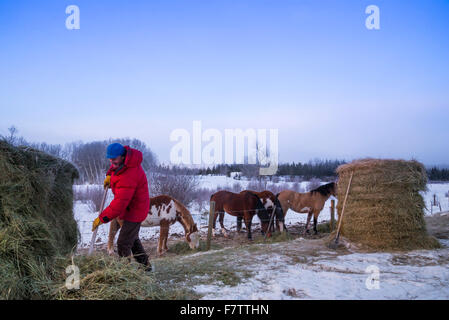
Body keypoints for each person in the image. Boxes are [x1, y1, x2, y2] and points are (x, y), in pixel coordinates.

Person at [92, 143, 151, 271]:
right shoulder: (122, 164)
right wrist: (109, 175)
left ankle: (125, 272)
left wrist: (102, 218)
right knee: (132, 239)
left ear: (123, 157)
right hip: (129, 207)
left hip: (136, 210)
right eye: (110, 158)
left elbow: (119, 203)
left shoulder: (130, 174)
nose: (111, 161)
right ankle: (146, 267)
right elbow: (114, 168)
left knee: (123, 243)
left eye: (114, 158)